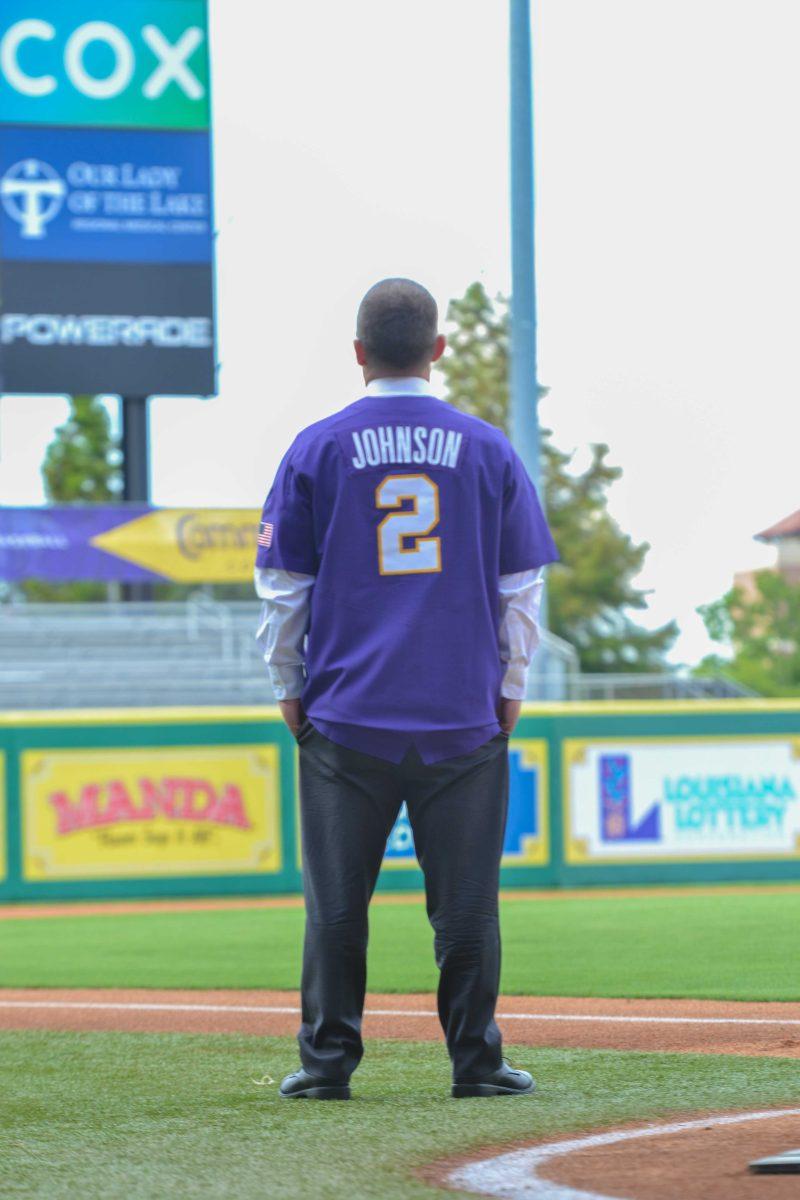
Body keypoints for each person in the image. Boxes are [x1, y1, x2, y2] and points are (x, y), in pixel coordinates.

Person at [255, 278, 558, 1100]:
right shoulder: (489, 448)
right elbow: (520, 584)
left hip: (346, 716)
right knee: (465, 909)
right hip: (461, 714)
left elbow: (284, 583)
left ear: (358, 354)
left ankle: (326, 1067)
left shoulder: (315, 447)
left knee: (337, 908)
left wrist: (288, 684)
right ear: (440, 349)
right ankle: (477, 1063)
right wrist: (512, 682)